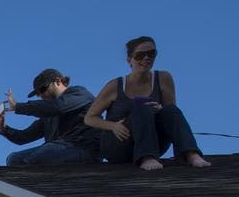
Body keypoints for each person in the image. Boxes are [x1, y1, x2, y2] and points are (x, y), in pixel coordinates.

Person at [83, 36, 211, 171]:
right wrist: (113, 126)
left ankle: (191, 154)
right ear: (129, 60)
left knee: (170, 110)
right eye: (139, 55)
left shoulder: (163, 78)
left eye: (151, 54)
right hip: (120, 144)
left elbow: (170, 112)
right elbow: (89, 118)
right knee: (142, 109)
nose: (146, 58)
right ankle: (147, 157)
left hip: (153, 142)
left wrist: (160, 109)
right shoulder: (115, 85)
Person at [0, 69, 99, 166]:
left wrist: (18, 107)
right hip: (55, 150)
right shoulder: (48, 116)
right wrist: (3, 128)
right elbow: (24, 136)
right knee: (13, 159)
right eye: (37, 94)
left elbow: (58, 107)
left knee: (43, 153)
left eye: (43, 89)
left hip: (83, 148)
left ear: (58, 81)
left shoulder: (79, 93)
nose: (41, 95)